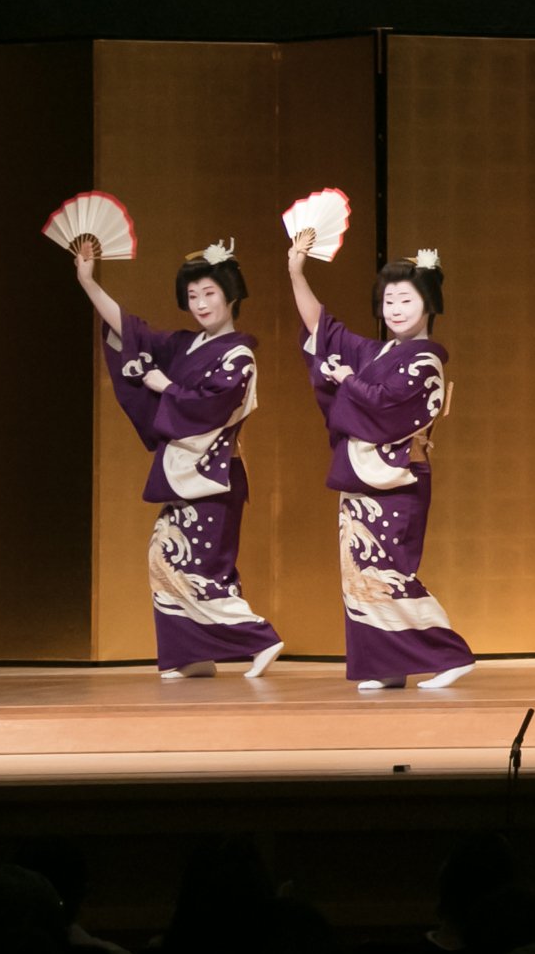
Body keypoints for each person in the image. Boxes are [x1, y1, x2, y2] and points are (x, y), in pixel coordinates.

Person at [71, 238, 283, 679]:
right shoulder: (186, 345)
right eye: (193, 296)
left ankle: (258, 637)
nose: (201, 304)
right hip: (185, 472)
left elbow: (213, 404)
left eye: (209, 293)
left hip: (214, 474)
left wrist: (165, 387)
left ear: (231, 295)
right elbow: (134, 332)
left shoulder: (238, 355)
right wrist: (89, 283)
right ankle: (191, 654)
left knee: (200, 565)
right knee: (166, 557)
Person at [286, 234, 474, 690]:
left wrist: (349, 382)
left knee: (388, 571)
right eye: (389, 299)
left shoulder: (427, 360)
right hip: (360, 474)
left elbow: (391, 408)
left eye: (405, 299)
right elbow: (322, 331)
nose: (394, 308)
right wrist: (296, 273)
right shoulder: (378, 353)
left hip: (396, 478)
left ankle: (447, 654)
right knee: (359, 573)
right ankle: (385, 665)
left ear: (428, 303)